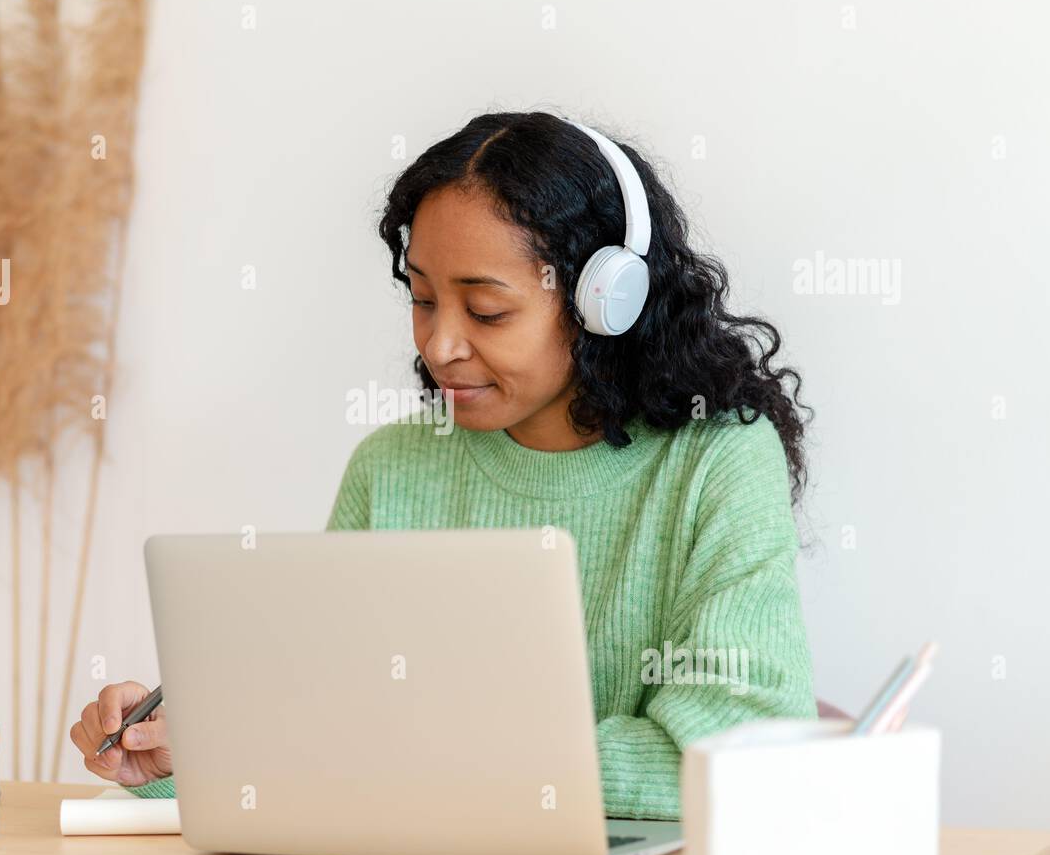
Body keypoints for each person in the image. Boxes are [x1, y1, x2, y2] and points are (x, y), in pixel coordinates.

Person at [70, 109, 846, 819]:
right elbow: (314, 727)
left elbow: (721, 762)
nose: (438, 344)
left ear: (605, 303)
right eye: (421, 298)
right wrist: (187, 750)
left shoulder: (718, 462)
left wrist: (405, 754)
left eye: (486, 310)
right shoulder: (393, 468)